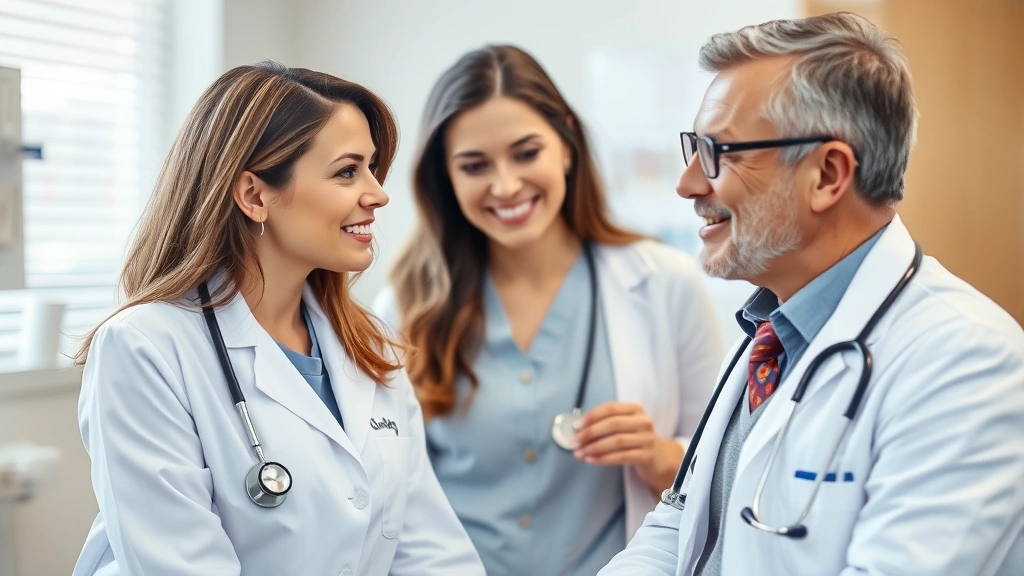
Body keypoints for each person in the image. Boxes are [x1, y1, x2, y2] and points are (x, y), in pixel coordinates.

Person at [598, 12, 1024, 576]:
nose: (688, 183)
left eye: (719, 152)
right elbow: (680, 529)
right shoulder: (770, 333)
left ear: (827, 175)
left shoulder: (967, 362)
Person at [70, 61, 485, 576]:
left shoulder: (372, 345)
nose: (378, 193)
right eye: (347, 171)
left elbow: (430, 552)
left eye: (373, 169)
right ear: (253, 195)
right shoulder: (145, 349)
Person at [372, 45, 724, 576]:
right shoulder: (404, 309)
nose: (506, 185)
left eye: (526, 153)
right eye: (474, 165)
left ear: (565, 143)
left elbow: (723, 473)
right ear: (445, 175)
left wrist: (657, 455)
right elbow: (391, 495)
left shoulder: (665, 284)